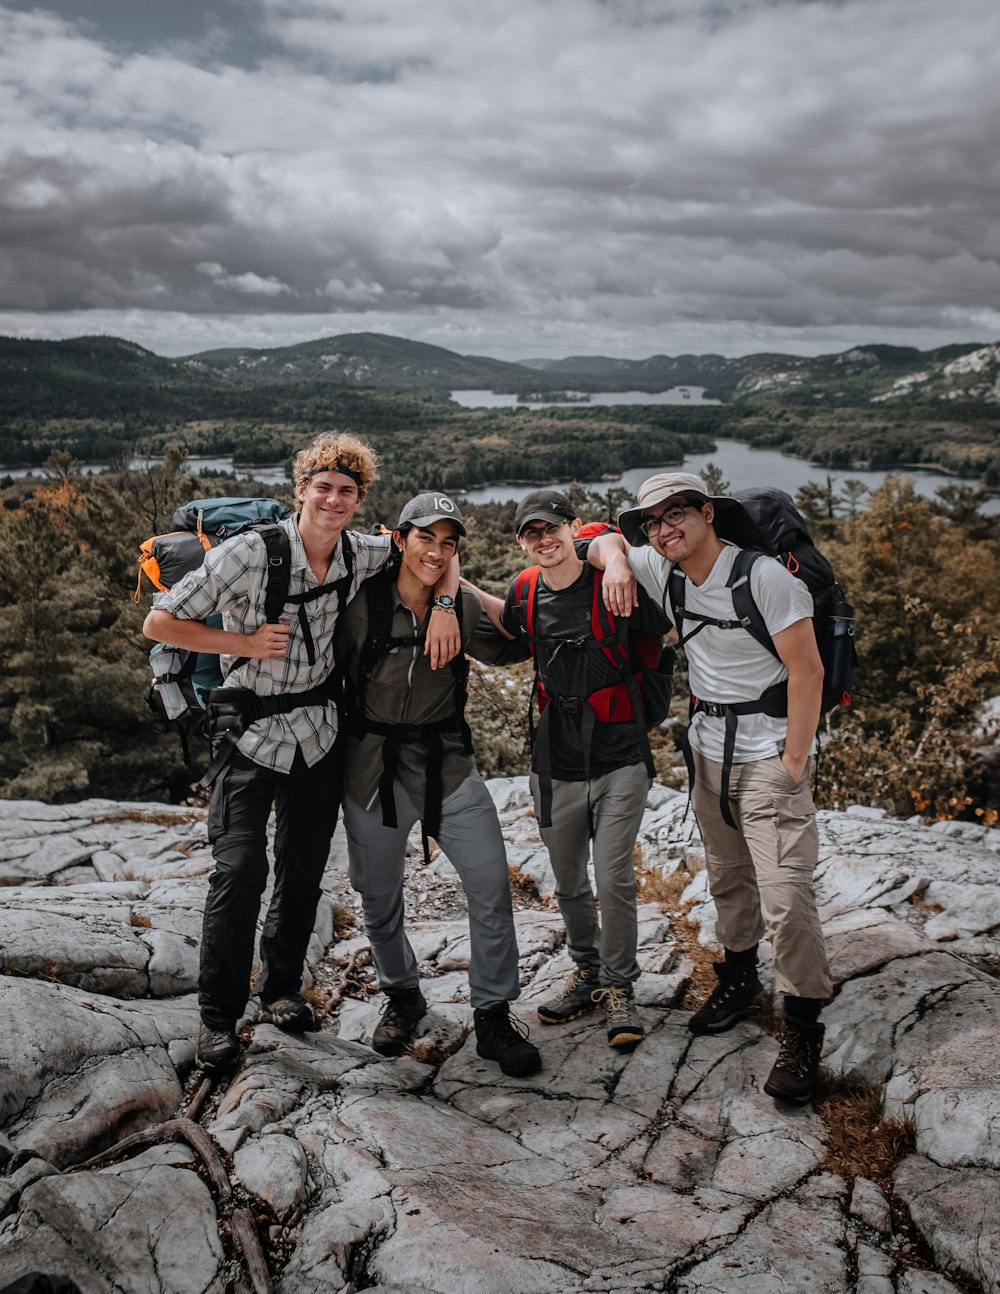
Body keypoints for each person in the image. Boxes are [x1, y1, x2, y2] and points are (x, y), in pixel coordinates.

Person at [143, 433, 460, 1071]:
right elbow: (159, 623)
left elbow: (434, 557)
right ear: (301, 490)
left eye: (347, 490)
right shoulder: (247, 554)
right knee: (238, 871)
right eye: (324, 487)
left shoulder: (361, 551)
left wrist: (449, 603)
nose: (335, 499)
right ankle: (217, 1018)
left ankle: (282, 989)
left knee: (302, 869)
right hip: (248, 733)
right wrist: (242, 645)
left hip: (318, 732)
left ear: (359, 498)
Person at [590, 471, 832, 1104]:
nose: (664, 530)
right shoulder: (663, 568)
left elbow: (809, 672)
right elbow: (591, 541)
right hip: (706, 753)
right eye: (651, 523)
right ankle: (740, 977)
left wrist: (793, 762)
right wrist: (617, 558)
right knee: (726, 876)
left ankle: (804, 1029)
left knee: (786, 895)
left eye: (677, 515)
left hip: (768, 757)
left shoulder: (766, 579)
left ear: (707, 513)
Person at [334, 493, 542, 1078]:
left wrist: (560, 593)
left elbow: (515, 644)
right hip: (372, 769)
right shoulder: (360, 607)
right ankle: (403, 995)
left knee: (489, 883)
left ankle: (494, 1015)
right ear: (400, 539)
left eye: (448, 543)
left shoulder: (463, 605)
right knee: (376, 896)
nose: (437, 550)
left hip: (446, 765)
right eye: (426, 537)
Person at [491, 489, 670, 1050]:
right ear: (522, 541)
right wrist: (451, 588)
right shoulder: (525, 590)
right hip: (556, 757)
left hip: (620, 752)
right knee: (568, 880)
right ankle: (587, 973)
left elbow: (664, 625)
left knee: (614, 875)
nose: (544, 540)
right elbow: (504, 628)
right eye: (531, 533)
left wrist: (614, 554)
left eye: (552, 528)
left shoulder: (613, 583)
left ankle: (620, 986)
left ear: (573, 528)